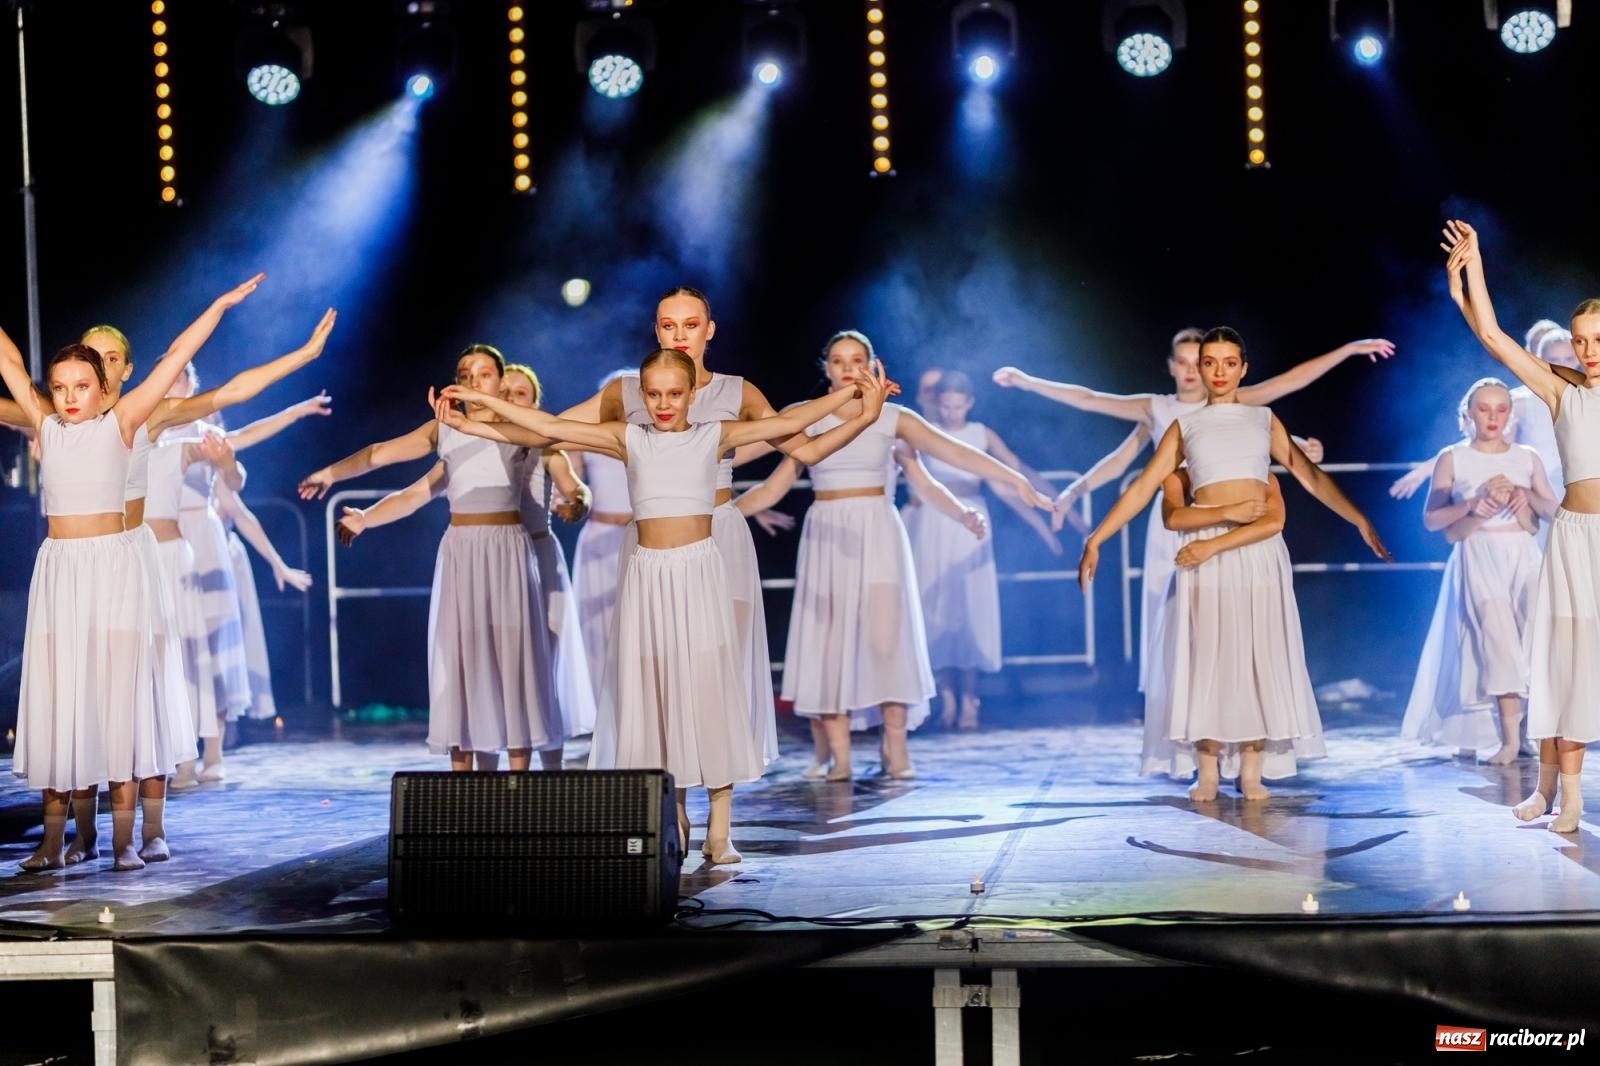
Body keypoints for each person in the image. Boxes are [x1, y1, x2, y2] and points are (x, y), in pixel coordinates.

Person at [436, 350, 896, 863]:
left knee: (709, 690)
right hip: (647, 576)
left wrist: (859, 403)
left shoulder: (714, 434)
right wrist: (478, 403)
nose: (662, 403)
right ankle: (671, 818)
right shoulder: (626, 437)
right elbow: (540, 429)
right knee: (656, 696)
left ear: (690, 396)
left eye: (673, 394)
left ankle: (719, 828)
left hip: (700, 571)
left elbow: (791, 423)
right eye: (652, 394)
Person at [554, 287, 884, 768]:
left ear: (709, 330)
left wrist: (865, 413)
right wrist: (566, 482)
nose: (680, 334)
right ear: (657, 329)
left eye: (691, 324)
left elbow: (806, 450)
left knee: (716, 671)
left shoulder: (737, 391)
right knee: (659, 673)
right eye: (669, 324)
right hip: (654, 539)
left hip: (720, 534)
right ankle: (674, 804)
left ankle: (720, 817)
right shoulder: (628, 390)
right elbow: (552, 432)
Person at [0, 275, 264, 871]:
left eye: (81, 386)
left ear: (101, 391)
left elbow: (176, 357)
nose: (69, 397)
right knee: (62, 699)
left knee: (118, 702)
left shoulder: (123, 426)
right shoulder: (45, 427)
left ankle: (125, 838)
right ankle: (53, 840)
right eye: (60, 387)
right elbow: (10, 359)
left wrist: (218, 304)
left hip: (114, 571)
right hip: (62, 574)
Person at [1078, 327, 1390, 801]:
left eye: (1229, 362)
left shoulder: (1262, 419)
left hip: (1258, 550)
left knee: (1255, 652)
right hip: (1203, 547)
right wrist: (1097, 537)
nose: (1219, 372)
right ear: (1199, 368)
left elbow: (1308, 474)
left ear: (1243, 368)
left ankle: (1251, 768)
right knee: (1208, 655)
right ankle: (1206, 769)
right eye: (1210, 362)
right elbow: (1144, 485)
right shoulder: (1185, 427)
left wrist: (1358, 519)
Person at [993, 331, 1387, 698]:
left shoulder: (1242, 406)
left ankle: (1237, 718)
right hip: (1177, 521)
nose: (1195, 370)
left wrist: (1347, 352)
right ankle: (1177, 705)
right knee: (1174, 618)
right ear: (1177, 366)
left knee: (1236, 627)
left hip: (1238, 526)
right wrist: (1079, 505)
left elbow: (1287, 393)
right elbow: (1099, 416)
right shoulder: (1163, 412)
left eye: (1212, 362)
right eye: (1186, 362)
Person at [734, 332, 1052, 780]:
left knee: (887, 643)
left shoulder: (891, 416)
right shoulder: (804, 418)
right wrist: (715, 511)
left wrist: (999, 490)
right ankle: (839, 756)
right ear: (825, 367)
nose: (847, 367)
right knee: (830, 646)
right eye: (839, 360)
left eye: (857, 359)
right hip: (827, 535)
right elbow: (766, 476)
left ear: (871, 364)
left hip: (879, 531)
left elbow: (946, 460)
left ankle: (895, 746)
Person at [334, 345, 565, 773]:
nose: (476, 381)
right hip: (462, 550)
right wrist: (363, 514)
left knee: (510, 663)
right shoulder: (446, 433)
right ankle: (468, 791)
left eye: (485, 374)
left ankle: (518, 791)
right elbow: (412, 492)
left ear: (499, 380)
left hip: (506, 550)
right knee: (463, 661)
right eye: (466, 374)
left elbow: (550, 435)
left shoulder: (517, 427)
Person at [1442, 219, 1600, 833]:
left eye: (1597, 339)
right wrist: (1474, 267)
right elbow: (1492, 334)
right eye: (1581, 340)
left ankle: (1564, 790)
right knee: (1561, 662)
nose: (1588, 351)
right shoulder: (1562, 392)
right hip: (1571, 540)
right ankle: (1556, 789)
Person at [1400, 378, 1556, 764]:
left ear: (1510, 413)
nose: (1493, 416)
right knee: (1497, 639)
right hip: (1478, 552)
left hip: (1522, 552)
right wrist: (1474, 504)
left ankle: (1525, 734)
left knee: (1534, 638)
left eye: (1501, 409)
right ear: (1468, 413)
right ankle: (1505, 739)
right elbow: (1434, 520)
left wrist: (1526, 496)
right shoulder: (1454, 457)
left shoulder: (1526, 456)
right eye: (1484, 408)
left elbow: (1552, 510)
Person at [904, 369, 1059, 730]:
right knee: (935, 606)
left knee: (970, 605)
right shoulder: (924, 432)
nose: (951, 413)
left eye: (958, 406)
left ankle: (971, 697)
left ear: (969, 404)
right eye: (945, 405)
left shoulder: (980, 433)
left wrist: (1041, 524)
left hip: (972, 523)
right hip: (934, 522)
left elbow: (1010, 477)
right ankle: (947, 699)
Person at [504, 361, 597, 743]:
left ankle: (551, 757)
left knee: (547, 656)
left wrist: (576, 502)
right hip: (496, 559)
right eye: (504, 392)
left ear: (535, 402)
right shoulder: (474, 444)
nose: (511, 399)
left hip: (540, 558)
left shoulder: (547, 451)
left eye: (520, 393)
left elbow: (578, 489)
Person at [1389, 324, 1578, 500]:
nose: (1562, 366)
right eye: (1553, 360)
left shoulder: (1591, 396)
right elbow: (1483, 443)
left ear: (1578, 358)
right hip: (1537, 498)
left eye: (1568, 359)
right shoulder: (1522, 401)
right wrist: (1425, 470)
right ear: (1539, 359)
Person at [567, 371, 634, 703]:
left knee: (640, 626)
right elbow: (571, 482)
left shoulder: (650, 434)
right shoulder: (586, 436)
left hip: (641, 536)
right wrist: (565, 500)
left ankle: (642, 710)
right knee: (598, 628)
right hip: (599, 537)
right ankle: (605, 711)